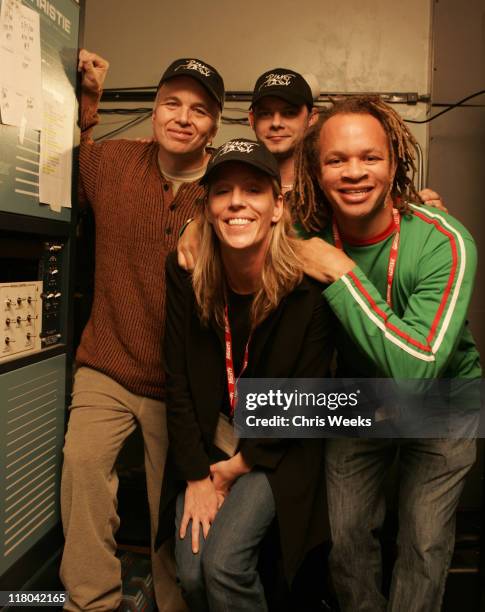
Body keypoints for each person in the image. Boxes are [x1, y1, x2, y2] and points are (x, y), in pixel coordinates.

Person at [292, 95, 481, 612]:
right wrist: (197, 228)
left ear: (394, 162)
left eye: (370, 157)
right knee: (345, 538)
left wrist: (341, 272)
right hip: (361, 397)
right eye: (336, 160)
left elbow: (417, 370)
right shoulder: (305, 230)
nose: (354, 172)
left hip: (443, 397)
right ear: (316, 169)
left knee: (423, 542)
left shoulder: (446, 241)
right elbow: (237, 214)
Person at [60, 50, 224, 612]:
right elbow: (64, 165)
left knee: (168, 516)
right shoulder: (110, 165)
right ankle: (91, 601)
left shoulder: (226, 190)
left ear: (215, 124)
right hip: (105, 359)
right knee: (83, 471)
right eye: (171, 103)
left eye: (199, 110)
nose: (183, 117)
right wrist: (88, 106)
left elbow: (287, 212)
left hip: (176, 384)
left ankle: (171, 602)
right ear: (154, 110)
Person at [159, 138, 334, 610]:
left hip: (275, 448)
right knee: (193, 574)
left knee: (224, 566)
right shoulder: (186, 276)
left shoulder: (307, 292)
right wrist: (197, 475)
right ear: (208, 209)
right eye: (223, 192)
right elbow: (176, 382)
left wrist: (234, 469)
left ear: (277, 206)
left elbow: (307, 399)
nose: (237, 202)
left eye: (254, 190)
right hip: (208, 445)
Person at [177, 68, 447, 270]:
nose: (276, 123)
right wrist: (194, 225)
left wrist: (419, 208)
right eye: (265, 114)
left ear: (312, 118)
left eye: (289, 112)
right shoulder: (232, 172)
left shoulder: (334, 183)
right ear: (251, 119)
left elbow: (380, 205)